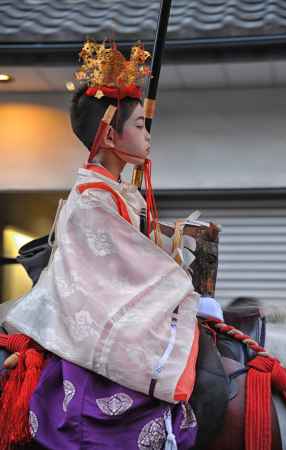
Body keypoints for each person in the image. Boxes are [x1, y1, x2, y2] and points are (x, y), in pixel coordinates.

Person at [0, 41, 199, 450]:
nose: (147, 135)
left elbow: (130, 261)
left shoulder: (112, 191)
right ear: (110, 135)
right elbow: (123, 274)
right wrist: (178, 274)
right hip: (86, 316)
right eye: (140, 125)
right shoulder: (93, 199)